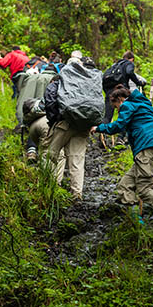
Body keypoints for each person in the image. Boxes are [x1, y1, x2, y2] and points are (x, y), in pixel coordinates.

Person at [90, 85, 153, 240]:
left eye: (116, 107)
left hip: (146, 146)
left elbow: (118, 125)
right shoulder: (145, 106)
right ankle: (137, 224)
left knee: (144, 188)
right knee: (125, 185)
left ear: (119, 100)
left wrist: (99, 128)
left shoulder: (127, 105)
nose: (117, 109)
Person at [44, 57, 100, 200]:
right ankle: (77, 194)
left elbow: (50, 103)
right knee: (77, 160)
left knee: (51, 154)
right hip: (83, 125)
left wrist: (54, 120)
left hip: (65, 123)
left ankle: (51, 188)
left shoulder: (59, 81)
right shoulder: (86, 82)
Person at [102, 51, 146, 145]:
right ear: (132, 59)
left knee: (108, 116)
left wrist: (108, 94)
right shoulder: (128, 64)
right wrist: (138, 82)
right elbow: (129, 72)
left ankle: (102, 139)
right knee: (125, 113)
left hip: (110, 91)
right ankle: (120, 139)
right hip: (121, 91)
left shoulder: (114, 65)